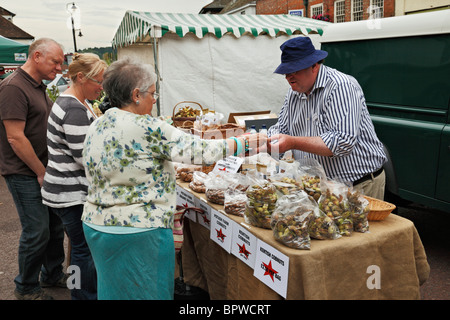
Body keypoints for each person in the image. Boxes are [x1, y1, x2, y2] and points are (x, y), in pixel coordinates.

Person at [81, 57, 264, 300]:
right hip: (138, 230)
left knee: (114, 292)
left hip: (97, 227)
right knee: (149, 292)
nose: (154, 100)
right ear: (136, 94)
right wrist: (242, 142)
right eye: (153, 94)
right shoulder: (147, 126)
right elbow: (200, 151)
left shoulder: (97, 123)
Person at [267, 37, 387, 199]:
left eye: (295, 70)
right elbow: (281, 128)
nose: (289, 77)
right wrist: (264, 140)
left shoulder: (341, 86)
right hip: (321, 187)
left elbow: (342, 142)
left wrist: (293, 142)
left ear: (314, 65)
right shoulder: (294, 92)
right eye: (286, 72)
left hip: (359, 185)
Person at [0, 38, 66, 300]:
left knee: (54, 226)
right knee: (37, 231)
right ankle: (26, 288)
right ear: (37, 56)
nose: (60, 68)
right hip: (24, 172)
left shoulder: (37, 85)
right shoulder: (14, 87)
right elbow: (15, 137)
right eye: (56, 61)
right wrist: (41, 171)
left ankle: (51, 274)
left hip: (42, 170)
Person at [41, 53, 107, 300]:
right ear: (80, 77)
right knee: (82, 250)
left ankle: (81, 291)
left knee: (80, 248)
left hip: (64, 190)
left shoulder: (73, 101)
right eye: (98, 81)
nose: (101, 87)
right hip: (71, 193)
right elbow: (85, 157)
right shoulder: (74, 108)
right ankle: (82, 294)